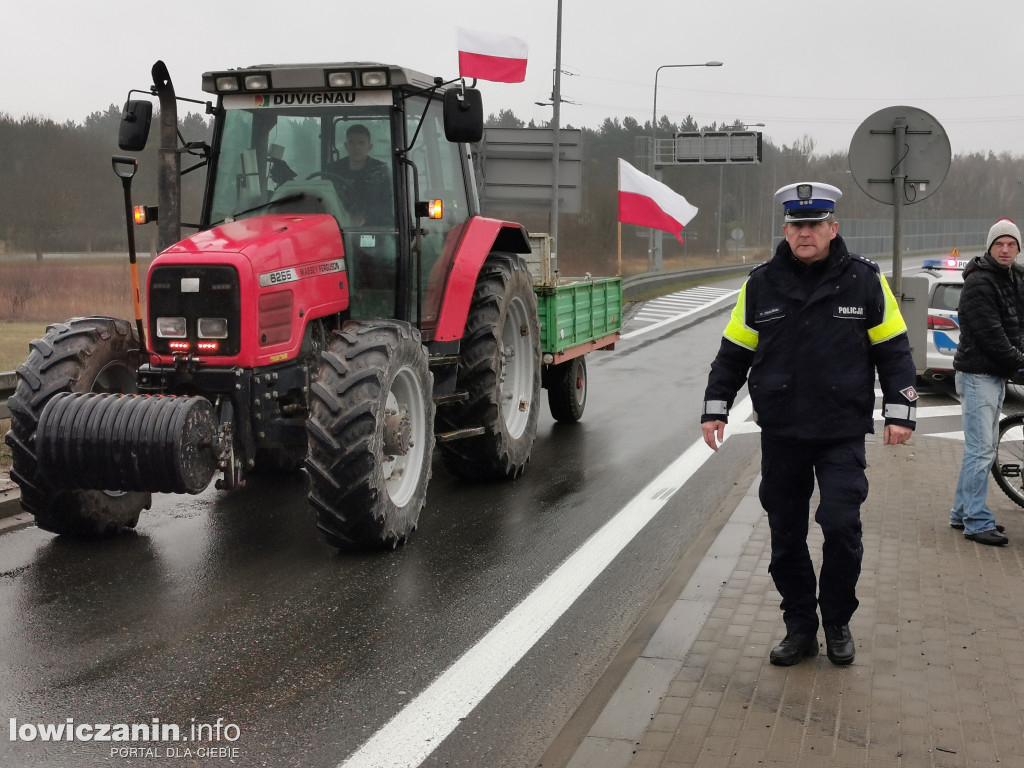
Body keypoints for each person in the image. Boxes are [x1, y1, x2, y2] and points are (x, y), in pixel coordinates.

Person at [700, 182, 918, 667]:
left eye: (814, 224)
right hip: (783, 433)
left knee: (841, 528)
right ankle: (799, 628)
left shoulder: (865, 281)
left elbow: (895, 350)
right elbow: (733, 352)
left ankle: (837, 621)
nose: (805, 233)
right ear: (785, 229)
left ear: (832, 228)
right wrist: (716, 405)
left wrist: (901, 412)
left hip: (841, 431)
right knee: (786, 538)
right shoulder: (761, 284)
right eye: (797, 225)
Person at [948, 218, 1024, 546]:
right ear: (989, 248)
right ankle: (976, 522)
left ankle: (962, 510)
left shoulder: (1014, 277)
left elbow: (1018, 325)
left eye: (1011, 244)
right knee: (982, 451)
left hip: (993, 375)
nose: (1005, 250)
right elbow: (992, 334)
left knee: (982, 449)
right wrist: (1020, 362)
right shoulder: (980, 282)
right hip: (978, 375)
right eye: (999, 245)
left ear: (1018, 248)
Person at [323, 123, 393, 226]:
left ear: (369, 147)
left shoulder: (380, 171)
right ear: (346, 146)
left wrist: (365, 217)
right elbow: (326, 201)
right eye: (352, 142)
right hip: (338, 225)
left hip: (377, 227)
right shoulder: (332, 170)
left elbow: (388, 204)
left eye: (361, 143)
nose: (356, 147)